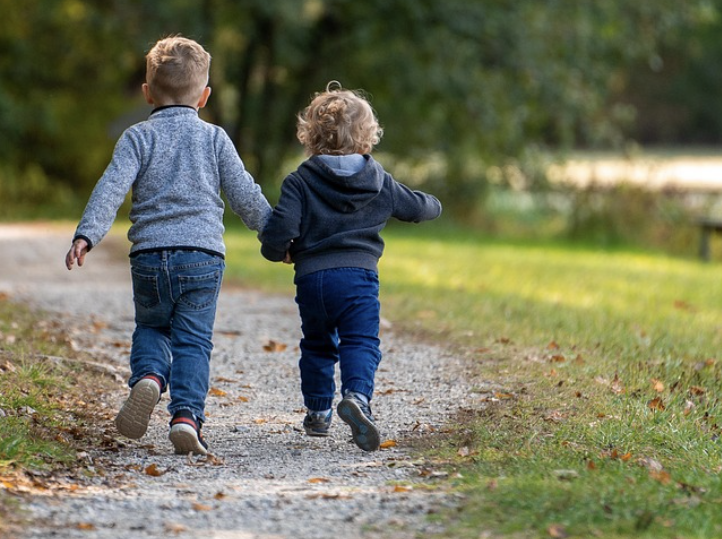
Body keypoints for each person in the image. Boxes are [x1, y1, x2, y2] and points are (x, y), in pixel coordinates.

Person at [65, 35, 270, 455]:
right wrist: (276, 235)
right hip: (203, 258)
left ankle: (150, 377)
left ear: (146, 93)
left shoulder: (137, 138)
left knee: (152, 326)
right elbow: (244, 194)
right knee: (193, 341)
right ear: (205, 96)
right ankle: (186, 418)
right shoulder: (215, 139)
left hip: (149, 257)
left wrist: (87, 234)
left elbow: (110, 189)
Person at [259, 83, 441, 451]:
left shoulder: (299, 180)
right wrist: (435, 204)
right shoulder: (378, 181)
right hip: (359, 280)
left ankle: (318, 412)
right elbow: (417, 208)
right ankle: (357, 397)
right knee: (360, 341)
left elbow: (281, 229)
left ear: (310, 137)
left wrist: (278, 252)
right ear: (366, 139)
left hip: (312, 281)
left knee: (317, 344)